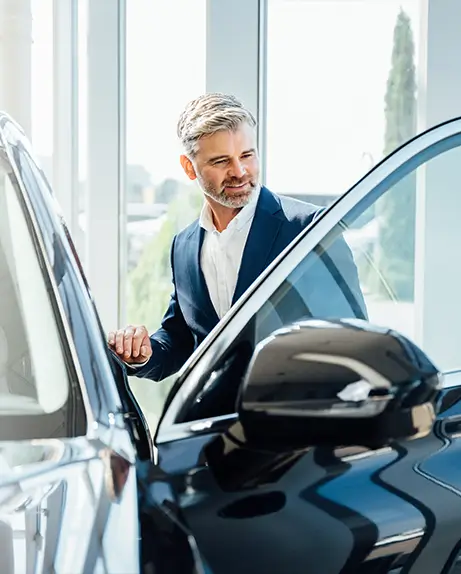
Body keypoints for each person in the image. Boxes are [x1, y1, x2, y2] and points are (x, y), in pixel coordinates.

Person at [108, 92, 366, 381]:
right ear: (188, 167)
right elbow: (181, 339)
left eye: (247, 155)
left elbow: (353, 342)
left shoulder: (311, 230)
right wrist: (143, 354)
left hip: (299, 421)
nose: (240, 171)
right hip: (217, 423)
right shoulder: (184, 246)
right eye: (221, 161)